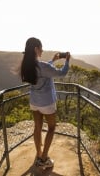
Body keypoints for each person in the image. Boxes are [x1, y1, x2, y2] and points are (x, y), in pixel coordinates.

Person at [20, 37, 70, 168]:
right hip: (47, 103)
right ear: (36, 49)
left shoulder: (27, 66)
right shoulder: (43, 66)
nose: (42, 50)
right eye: (41, 48)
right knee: (52, 127)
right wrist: (67, 61)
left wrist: (53, 60)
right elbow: (62, 73)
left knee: (37, 128)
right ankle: (44, 159)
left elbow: (43, 68)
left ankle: (38, 155)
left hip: (34, 102)